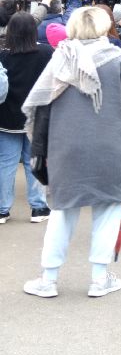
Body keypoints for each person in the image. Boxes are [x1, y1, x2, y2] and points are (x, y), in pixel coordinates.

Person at [20, 5, 121, 298]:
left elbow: (43, 108)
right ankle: (100, 279)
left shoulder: (59, 60)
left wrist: (40, 148)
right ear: (103, 27)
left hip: (66, 148)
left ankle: (48, 280)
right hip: (112, 146)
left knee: (62, 212)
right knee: (109, 209)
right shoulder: (119, 61)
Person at [0, 13, 53, 225]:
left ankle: (2, 210)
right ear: (34, 30)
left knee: (6, 164)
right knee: (36, 161)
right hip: (37, 118)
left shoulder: (3, 55)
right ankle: (38, 208)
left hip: (6, 118)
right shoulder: (46, 53)